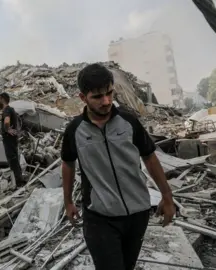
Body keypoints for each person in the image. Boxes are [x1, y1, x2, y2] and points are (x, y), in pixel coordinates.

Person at [61, 63, 175, 270]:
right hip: (100, 217)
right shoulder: (75, 131)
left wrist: (167, 197)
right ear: (82, 98)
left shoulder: (129, 122)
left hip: (136, 215)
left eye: (109, 93)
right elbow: (67, 164)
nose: (106, 101)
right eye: (97, 96)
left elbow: (150, 158)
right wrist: (68, 201)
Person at [0, 92, 24, 183]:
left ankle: (18, 181)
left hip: (9, 138)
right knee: (15, 158)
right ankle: (19, 178)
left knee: (12, 159)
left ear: (2, 99)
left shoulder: (7, 110)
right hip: (13, 138)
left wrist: (7, 129)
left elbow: (6, 121)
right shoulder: (11, 109)